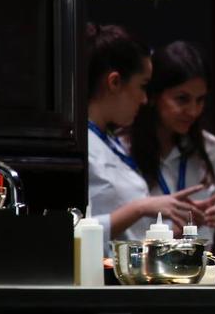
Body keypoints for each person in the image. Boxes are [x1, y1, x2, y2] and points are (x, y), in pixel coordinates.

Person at [87, 25, 208, 248]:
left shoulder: (110, 142)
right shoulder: (81, 145)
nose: (144, 100)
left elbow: (133, 236)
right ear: (114, 82)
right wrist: (141, 207)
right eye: (142, 87)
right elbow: (70, 231)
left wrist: (176, 231)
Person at [128, 40, 215, 248]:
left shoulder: (212, 150)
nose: (193, 111)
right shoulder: (122, 148)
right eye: (182, 99)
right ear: (154, 96)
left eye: (200, 100)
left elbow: (207, 240)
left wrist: (196, 223)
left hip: (192, 272)